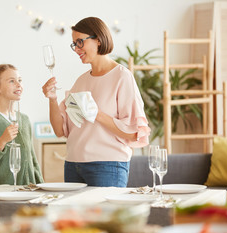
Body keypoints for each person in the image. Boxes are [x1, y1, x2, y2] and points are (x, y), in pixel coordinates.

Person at [42, 17, 150, 187]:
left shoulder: (122, 77)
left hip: (107, 166)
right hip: (72, 165)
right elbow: (58, 130)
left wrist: (96, 114)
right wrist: (52, 99)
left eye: (80, 42)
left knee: (106, 214)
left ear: (98, 40)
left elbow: (134, 133)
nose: (76, 49)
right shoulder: (81, 81)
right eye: (74, 44)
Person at [0, 64, 44, 185]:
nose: (19, 85)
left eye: (20, 80)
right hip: (2, 192)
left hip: (29, 191)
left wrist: (40, 185)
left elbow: (32, 159)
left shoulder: (24, 119)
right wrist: (2, 141)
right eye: (12, 81)